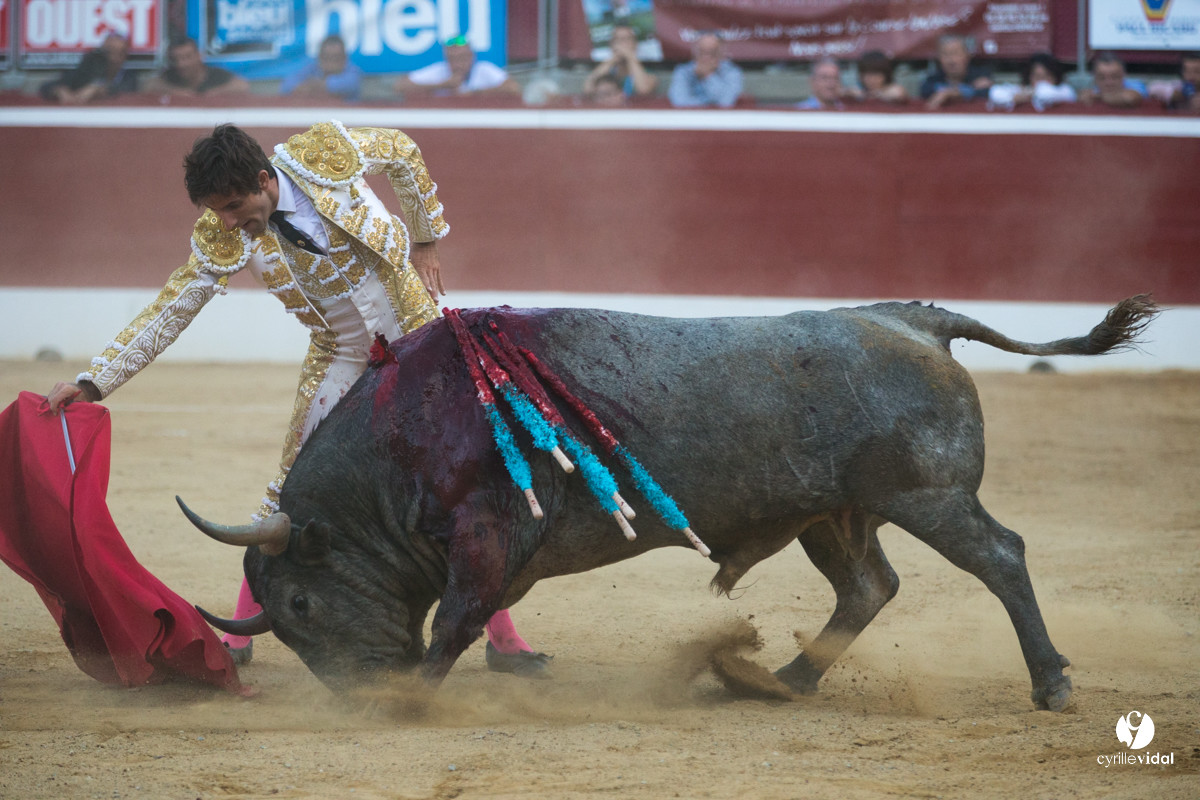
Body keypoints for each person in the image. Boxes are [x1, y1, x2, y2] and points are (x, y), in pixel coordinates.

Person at [44, 122, 549, 677]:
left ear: (264, 178)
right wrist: (94, 383)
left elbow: (402, 150)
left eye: (236, 205)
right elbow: (173, 307)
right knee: (290, 488)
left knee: (465, 482)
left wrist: (425, 237)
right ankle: (240, 633)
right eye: (219, 212)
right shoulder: (224, 233)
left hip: (421, 341)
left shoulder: (325, 153)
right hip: (341, 354)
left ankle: (502, 638)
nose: (231, 222)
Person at [393, 36, 522, 99]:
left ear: (472, 56)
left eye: (462, 58)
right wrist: (442, 86)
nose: (458, 64)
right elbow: (400, 86)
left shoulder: (484, 69)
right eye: (453, 59)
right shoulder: (439, 70)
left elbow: (513, 88)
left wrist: (474, 94)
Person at [39, 33, 137, 104]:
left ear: (126, 56)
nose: (113, 58)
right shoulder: (86, 73)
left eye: (120, 53)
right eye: (109, 52)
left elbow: (128, 91)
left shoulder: (130, 76)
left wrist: (99, 89)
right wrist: (59, 90)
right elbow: (47, 86)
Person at [143, 37, 250, 98]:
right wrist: (178, 93)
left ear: (199, 56)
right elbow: (148, 86)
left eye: (187, 57)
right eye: (176, 59)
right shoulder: (170, 74)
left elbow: (242, 85)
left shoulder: (215, 74)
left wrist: (212, 94)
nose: (181, 64)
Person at [582, 23, 658, 102]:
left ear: (635, 44)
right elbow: (588, 89)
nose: (622, 43)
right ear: (611, 44)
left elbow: (644, 90)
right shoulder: (607, 71)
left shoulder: (648, 74)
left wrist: (630, 56)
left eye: (627, 39)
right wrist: (612, 59)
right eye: (617, 39)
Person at [668, 32, 743, 108]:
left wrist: (708, 75)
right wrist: (709, 105)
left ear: (721, 52)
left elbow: (726, 102)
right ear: (694, 51)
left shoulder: (732, 72)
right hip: (690, 117)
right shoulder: (683, 71)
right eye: (702, 51)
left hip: (720, 118)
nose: (706, 57)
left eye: (712, 52)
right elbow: (679, 101)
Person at [279, 34, 363, 102]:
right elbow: (286, 86)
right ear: (319, 57)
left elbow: (350, 85)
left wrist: (316, 86)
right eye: (327, 57)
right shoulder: (312, 68)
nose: (331, 62)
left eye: (336, 58)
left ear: (344, 57)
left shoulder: (352, 71)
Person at [919, 35, 993, 110]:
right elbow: (926, 90)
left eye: (956, 53)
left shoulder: (981, 76)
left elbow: (987, 92)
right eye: (946, 54)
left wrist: (954, 93)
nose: (951, 60)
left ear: (967, 55)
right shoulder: (933, 79)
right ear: (939, 58)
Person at [988, 53, 1076, 111]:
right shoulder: (1024, 90)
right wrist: (1013, 98)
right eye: (1037, 77)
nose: (1042, 81)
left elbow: (1045, 93)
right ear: (1029, 77)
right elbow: (995, 92)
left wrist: (1030, 94)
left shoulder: (1064, 90)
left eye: (1046, 76)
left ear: (1055, 77)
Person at [1079, 52, 1146, 109]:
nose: (1109, 83)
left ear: (1124, 75)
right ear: (1094, 78)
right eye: (1102, 78)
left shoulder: (1137, 86)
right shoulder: (1092, 91)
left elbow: (1130, 99)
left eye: (1114, 77)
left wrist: (1098, 97)